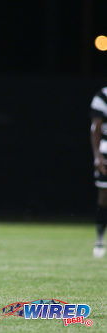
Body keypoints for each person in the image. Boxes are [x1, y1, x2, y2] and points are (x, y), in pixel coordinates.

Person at [90, 86, 107, 258]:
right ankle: (100, 238)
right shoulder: (103, 96)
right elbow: (96, 127)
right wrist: (97, 156)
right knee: (104, 196)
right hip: (106, 150)